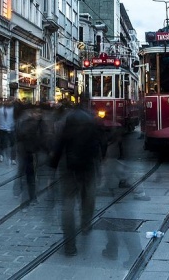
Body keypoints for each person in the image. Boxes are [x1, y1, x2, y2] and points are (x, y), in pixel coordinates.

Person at [50, 98, 104, 256]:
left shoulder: (67, 120)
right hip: (88, 167)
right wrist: (98, 164)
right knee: (89, 198)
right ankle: (86, 224)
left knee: (67, 203)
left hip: (69, 167)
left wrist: (53, 167)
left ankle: (69, 245)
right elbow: (101, 144)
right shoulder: (92, 120)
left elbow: (58, 145)